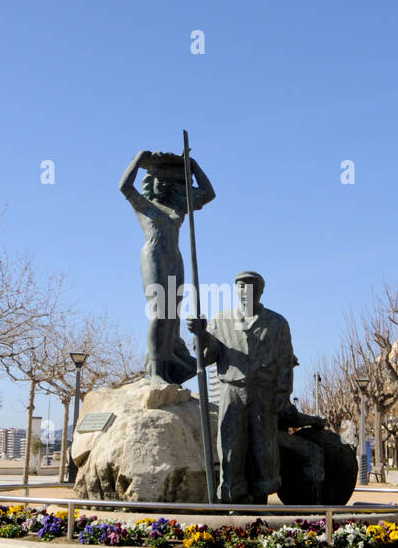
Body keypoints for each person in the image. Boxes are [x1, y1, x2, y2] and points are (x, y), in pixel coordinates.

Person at [188, 271, 294, 504]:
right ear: (236, 291)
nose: (246, 293)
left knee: (263, 447)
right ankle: (231, 497)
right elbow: (207, 357)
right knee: (230, 445)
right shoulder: (221, 320)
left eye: (252, 288)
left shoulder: (277, 323)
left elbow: (285, 361)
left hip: (263, 393)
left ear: (261, 291)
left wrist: (283, 393)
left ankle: (259, 497)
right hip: (231, 391)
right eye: (241, 288)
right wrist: (202, 335)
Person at [120, 150, 216, 385]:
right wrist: (138, 159)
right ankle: (155, 370)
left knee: (173, 316)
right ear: (150, 184)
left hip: (175, 258)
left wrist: (193, 165)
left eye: (166, 181)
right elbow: (125, 187)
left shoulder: (177, 207)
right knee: (159, 312)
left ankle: (170, 365)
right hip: (154, 256)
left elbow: (209, 194)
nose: (162, 184)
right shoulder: (144, 205)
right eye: (157, 180)